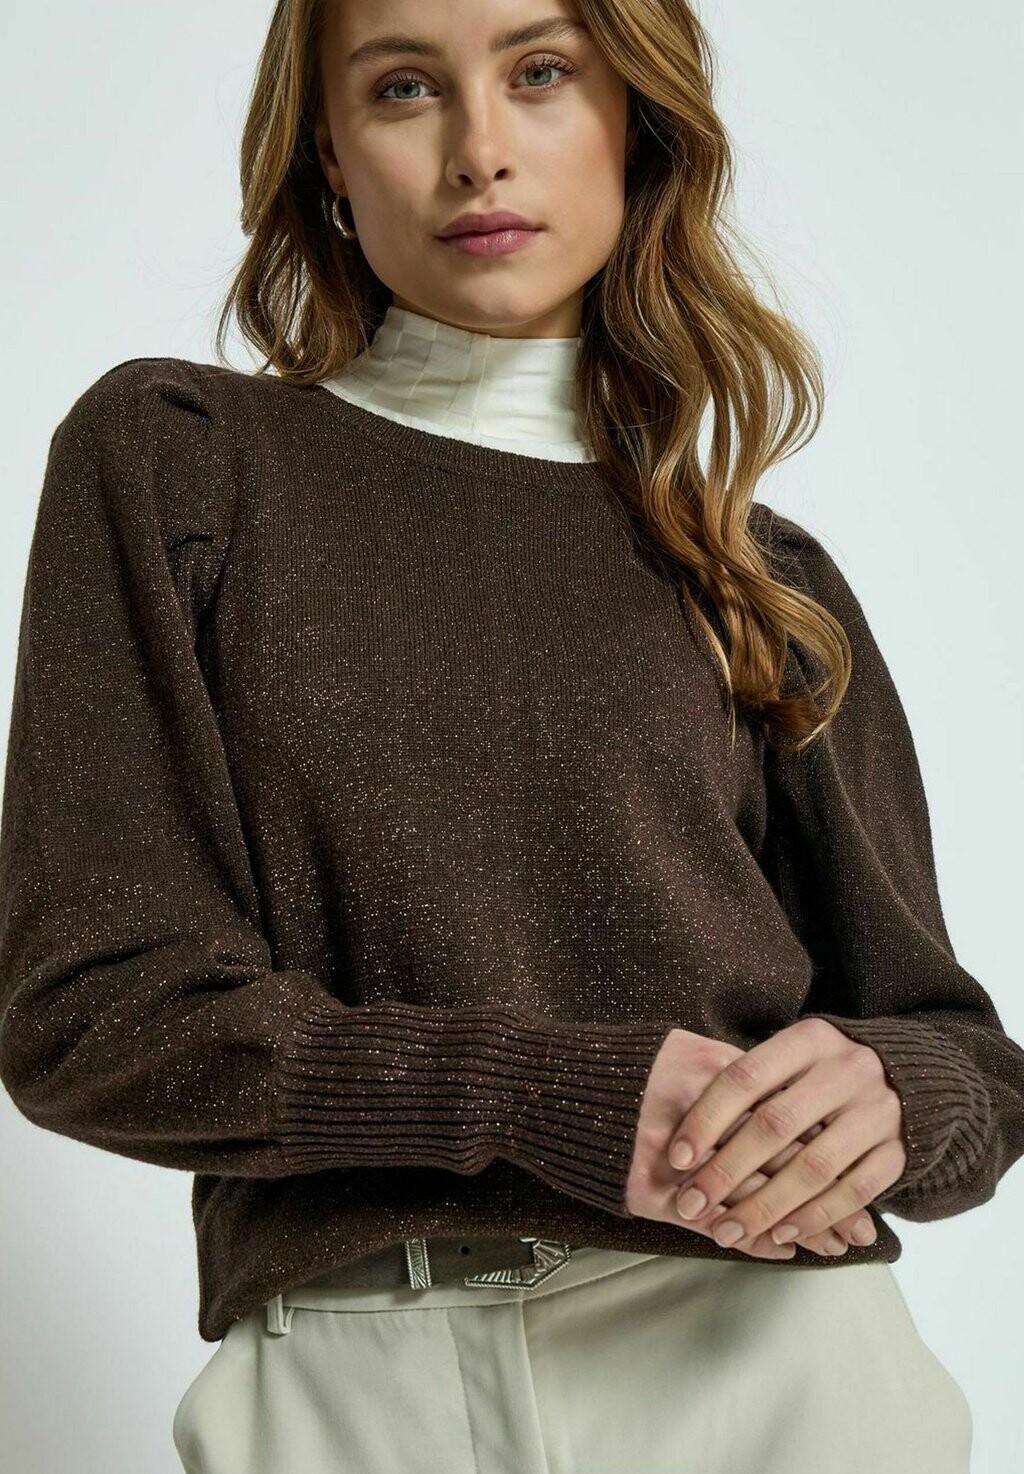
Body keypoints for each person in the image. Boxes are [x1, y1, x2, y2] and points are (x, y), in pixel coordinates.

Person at [1, 1, 1020, 1470]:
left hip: (773, 1362)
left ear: (635, 119)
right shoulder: (181, 464)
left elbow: (964, 1051)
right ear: (330, 154)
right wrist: (543, 1096)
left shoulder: (760, 578)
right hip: (359, 1374)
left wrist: (891, 1094)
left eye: (542, 73)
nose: (480, 149)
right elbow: (91, 1017)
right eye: (404, 88)